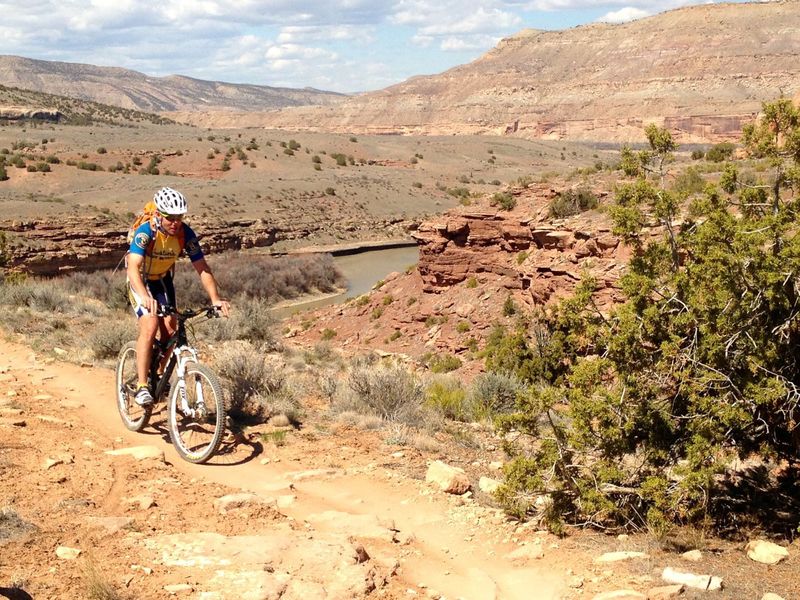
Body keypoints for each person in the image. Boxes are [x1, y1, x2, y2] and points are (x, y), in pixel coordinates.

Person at [126, 187, 230, 406]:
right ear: (158, 215)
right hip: (140, 281)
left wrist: (215, 299)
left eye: (179, 218)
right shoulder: (146, 232)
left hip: (162, 280)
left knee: (171, 329)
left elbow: (202, 267)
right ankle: (143, 385)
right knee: (151, 324)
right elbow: (133, 267)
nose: (175, 223)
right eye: (169, 218)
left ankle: (159, 375)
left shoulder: (185, 234)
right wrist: (145, 297)